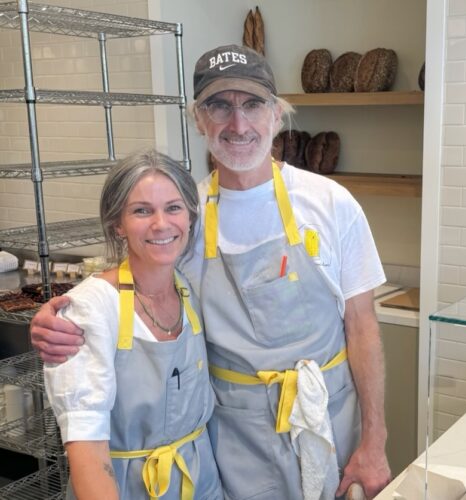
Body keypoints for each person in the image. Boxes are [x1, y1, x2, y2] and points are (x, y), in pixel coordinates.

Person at [32, 44, 391, 500]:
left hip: (330, 421)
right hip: (235, 444)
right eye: (219, 106)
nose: (238, 124)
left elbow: (362, 327)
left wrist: (374, 442)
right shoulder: (187, 216)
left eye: (253, 104)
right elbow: (132, 288)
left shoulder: (331, 204)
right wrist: (63, 320)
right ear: (199, 120)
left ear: (277, 115)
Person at [43, 151, 222, 499]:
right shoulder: (91, 309)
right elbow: (87, 448)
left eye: (173, 208)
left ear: (190, 215)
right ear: (117, 224)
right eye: (142, 210)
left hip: (200, 482)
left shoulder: (189, 289)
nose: (161, 224)